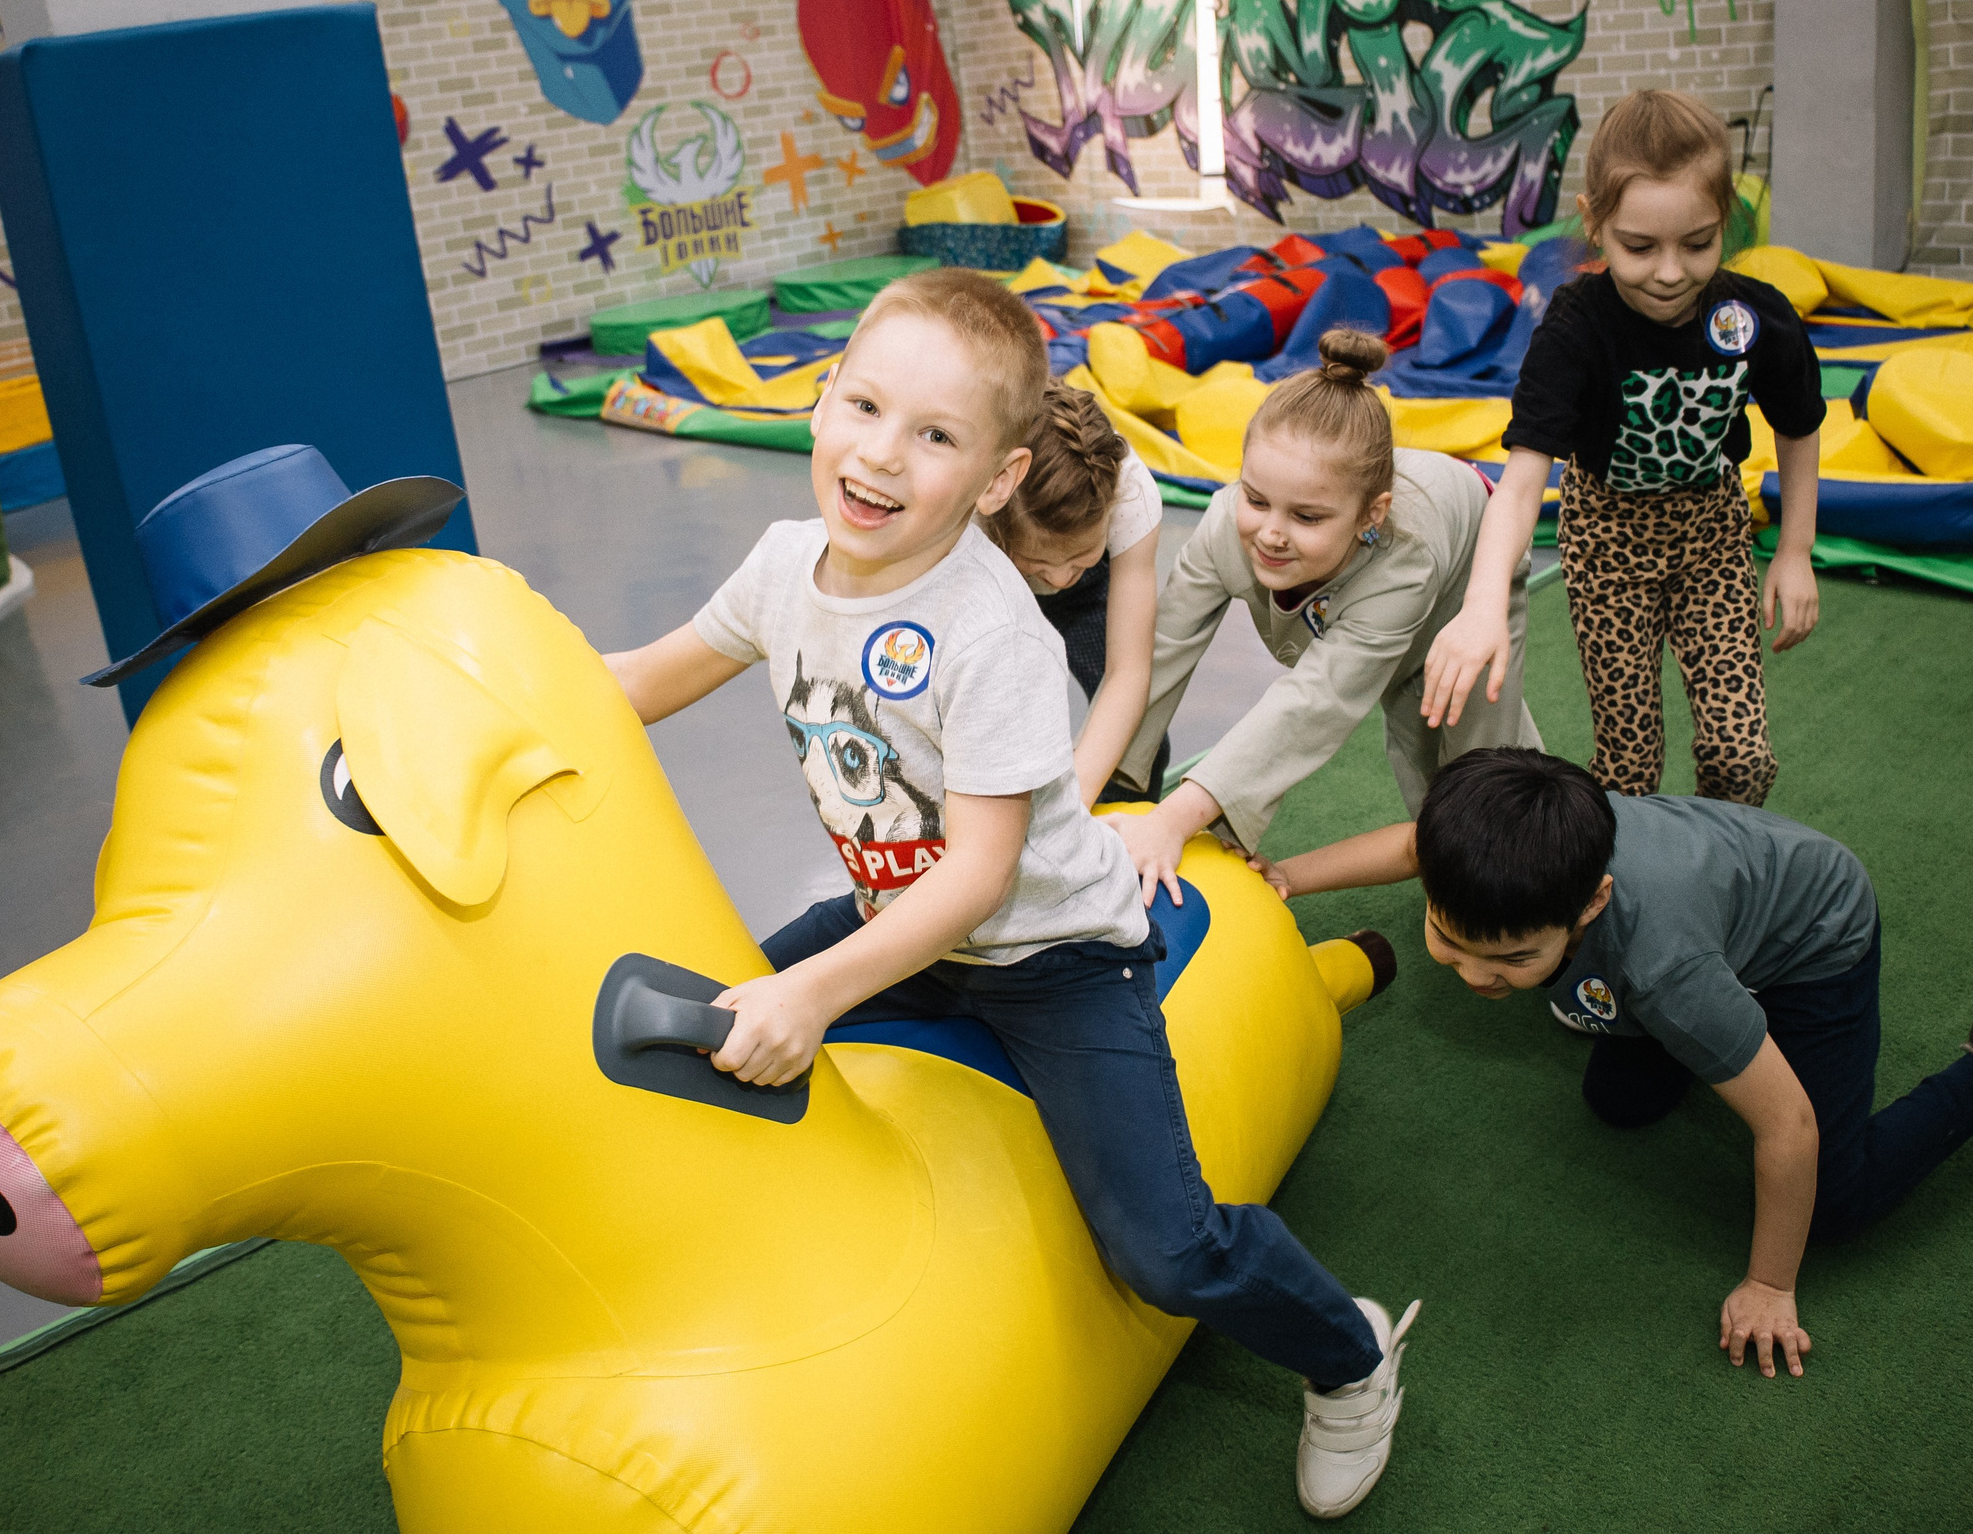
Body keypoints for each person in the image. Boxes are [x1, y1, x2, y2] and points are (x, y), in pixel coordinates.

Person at [603, 268, 1421, 1520]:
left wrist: (811, 993)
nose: (881, 457)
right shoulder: (782, 568)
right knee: (695, 1031)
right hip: (901, 923)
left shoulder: (991, 634)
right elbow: (639, 683)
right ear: (818, 403)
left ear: (994, 481)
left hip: (1047, 953)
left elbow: (981, 879)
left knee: (1162, 1247)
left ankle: (1349, 1355)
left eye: (933, 437)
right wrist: (486, 664)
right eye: (864, 407)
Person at [1256, 748, 1973, 1378]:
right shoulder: (1520, 849)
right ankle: (1709, 1022)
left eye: (1513, 959)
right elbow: (1417, 843)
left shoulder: (1665, 971)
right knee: (1621, 1099)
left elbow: (1790, 1126)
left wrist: (1769, 1281)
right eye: (1448, 938)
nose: (1479, 977)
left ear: (1591, 901)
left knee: (1836, 1197)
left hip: (1813, 938)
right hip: (1715, 918)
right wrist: (1284, 875)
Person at [1423, 88, 1825, 805]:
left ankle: (1716, 867)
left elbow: (1798, 424)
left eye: (1697, 243)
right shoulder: (1575, 329)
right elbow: (1519, 485)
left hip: (1711, 537)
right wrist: (1483, 602)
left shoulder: (1751, 316)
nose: (1670, 271)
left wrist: (1794, 550)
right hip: (1608, 544)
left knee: (1743, 758)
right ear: (1596, 223)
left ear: (1726, 220)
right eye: (1640, 246)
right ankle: (1628, 878)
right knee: (1630, 763)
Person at [1105, 327, 1542, 908]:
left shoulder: (1403, 558)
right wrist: (1111, 790)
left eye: (1307, 517)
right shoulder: (1222, 526)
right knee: (1423, 770)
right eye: (1255, 499)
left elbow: (1317, 700)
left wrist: (1180, 815)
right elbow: (1160, 653)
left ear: (1371, 514)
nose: (1271, 532)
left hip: (1467, 568)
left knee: (1475, 765)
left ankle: (1545, 865)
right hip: (1377, 562)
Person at [980, 383, 1167, 804]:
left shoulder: (1132, 497)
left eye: (1080, 554)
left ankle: (1120, 846)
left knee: (1140, 745)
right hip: (992, 576)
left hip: (1093, 591)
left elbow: (1128, 673)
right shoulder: (967, 507)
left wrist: (1072, 814)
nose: (1061, 576)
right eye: (1041, 562)